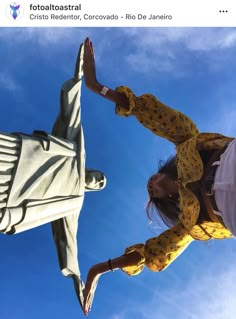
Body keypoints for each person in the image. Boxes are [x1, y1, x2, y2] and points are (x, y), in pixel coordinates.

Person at [82, 37, 235, 315]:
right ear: (164, 200)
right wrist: (98, 270)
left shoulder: (187, 143)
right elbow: (150, 254)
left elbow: (151, 112)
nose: (151, 185)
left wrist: (96, 87)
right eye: (151, 192)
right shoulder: (188, 224)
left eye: (150, 181)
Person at [0, 44, 106, 308]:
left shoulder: (74, 201)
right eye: (99, 176)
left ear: (92, 189)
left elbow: (67, 240)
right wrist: (78, 77)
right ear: (91, 170)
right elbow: (72, 113)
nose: (97, 181)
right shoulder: (75, 152)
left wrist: (77, 279)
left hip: (11, 197)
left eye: (100, 184)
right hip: (16, 159)